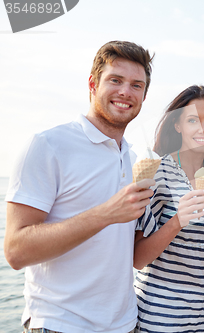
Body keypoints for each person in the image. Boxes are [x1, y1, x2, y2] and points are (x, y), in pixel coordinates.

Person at [4, 41, 154, 333]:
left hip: (124, 324)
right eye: (115, 80)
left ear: (145, 96)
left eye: (137, 85)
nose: (126, 92)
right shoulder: (48, 145)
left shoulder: (133, 158)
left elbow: (129, 252)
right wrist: (106, 214)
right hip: (61, 324)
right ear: (92, 83)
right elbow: (15, 251)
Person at [133, 85, 204, 333]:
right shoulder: (157, 171)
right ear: (178, 125)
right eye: (193, 120)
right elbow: (138, 259)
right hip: (164, 319)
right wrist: (177, 221)